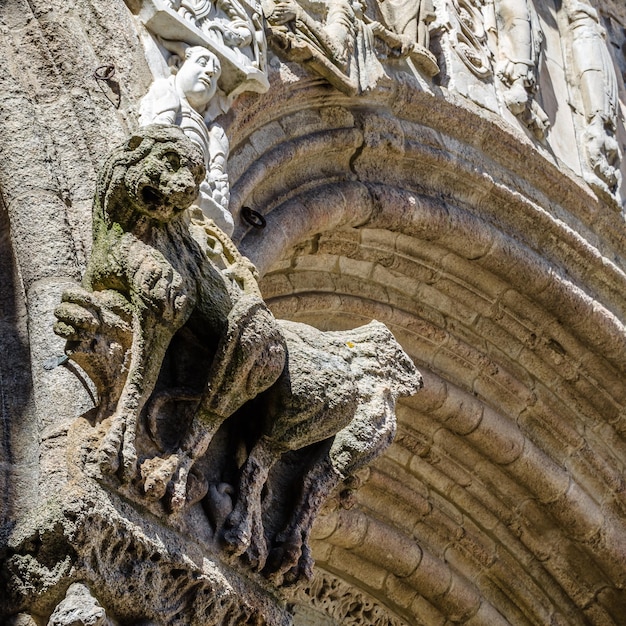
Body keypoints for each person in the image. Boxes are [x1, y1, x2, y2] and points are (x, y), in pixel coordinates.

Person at [140, 45, 234, 235]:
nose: (209, 72)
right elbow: (158, 128)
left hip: (199, 180)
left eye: (215, 75)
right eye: (202, 63)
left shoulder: (209, 127)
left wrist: (215, 174)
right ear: (177, 64)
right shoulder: (167, 91)